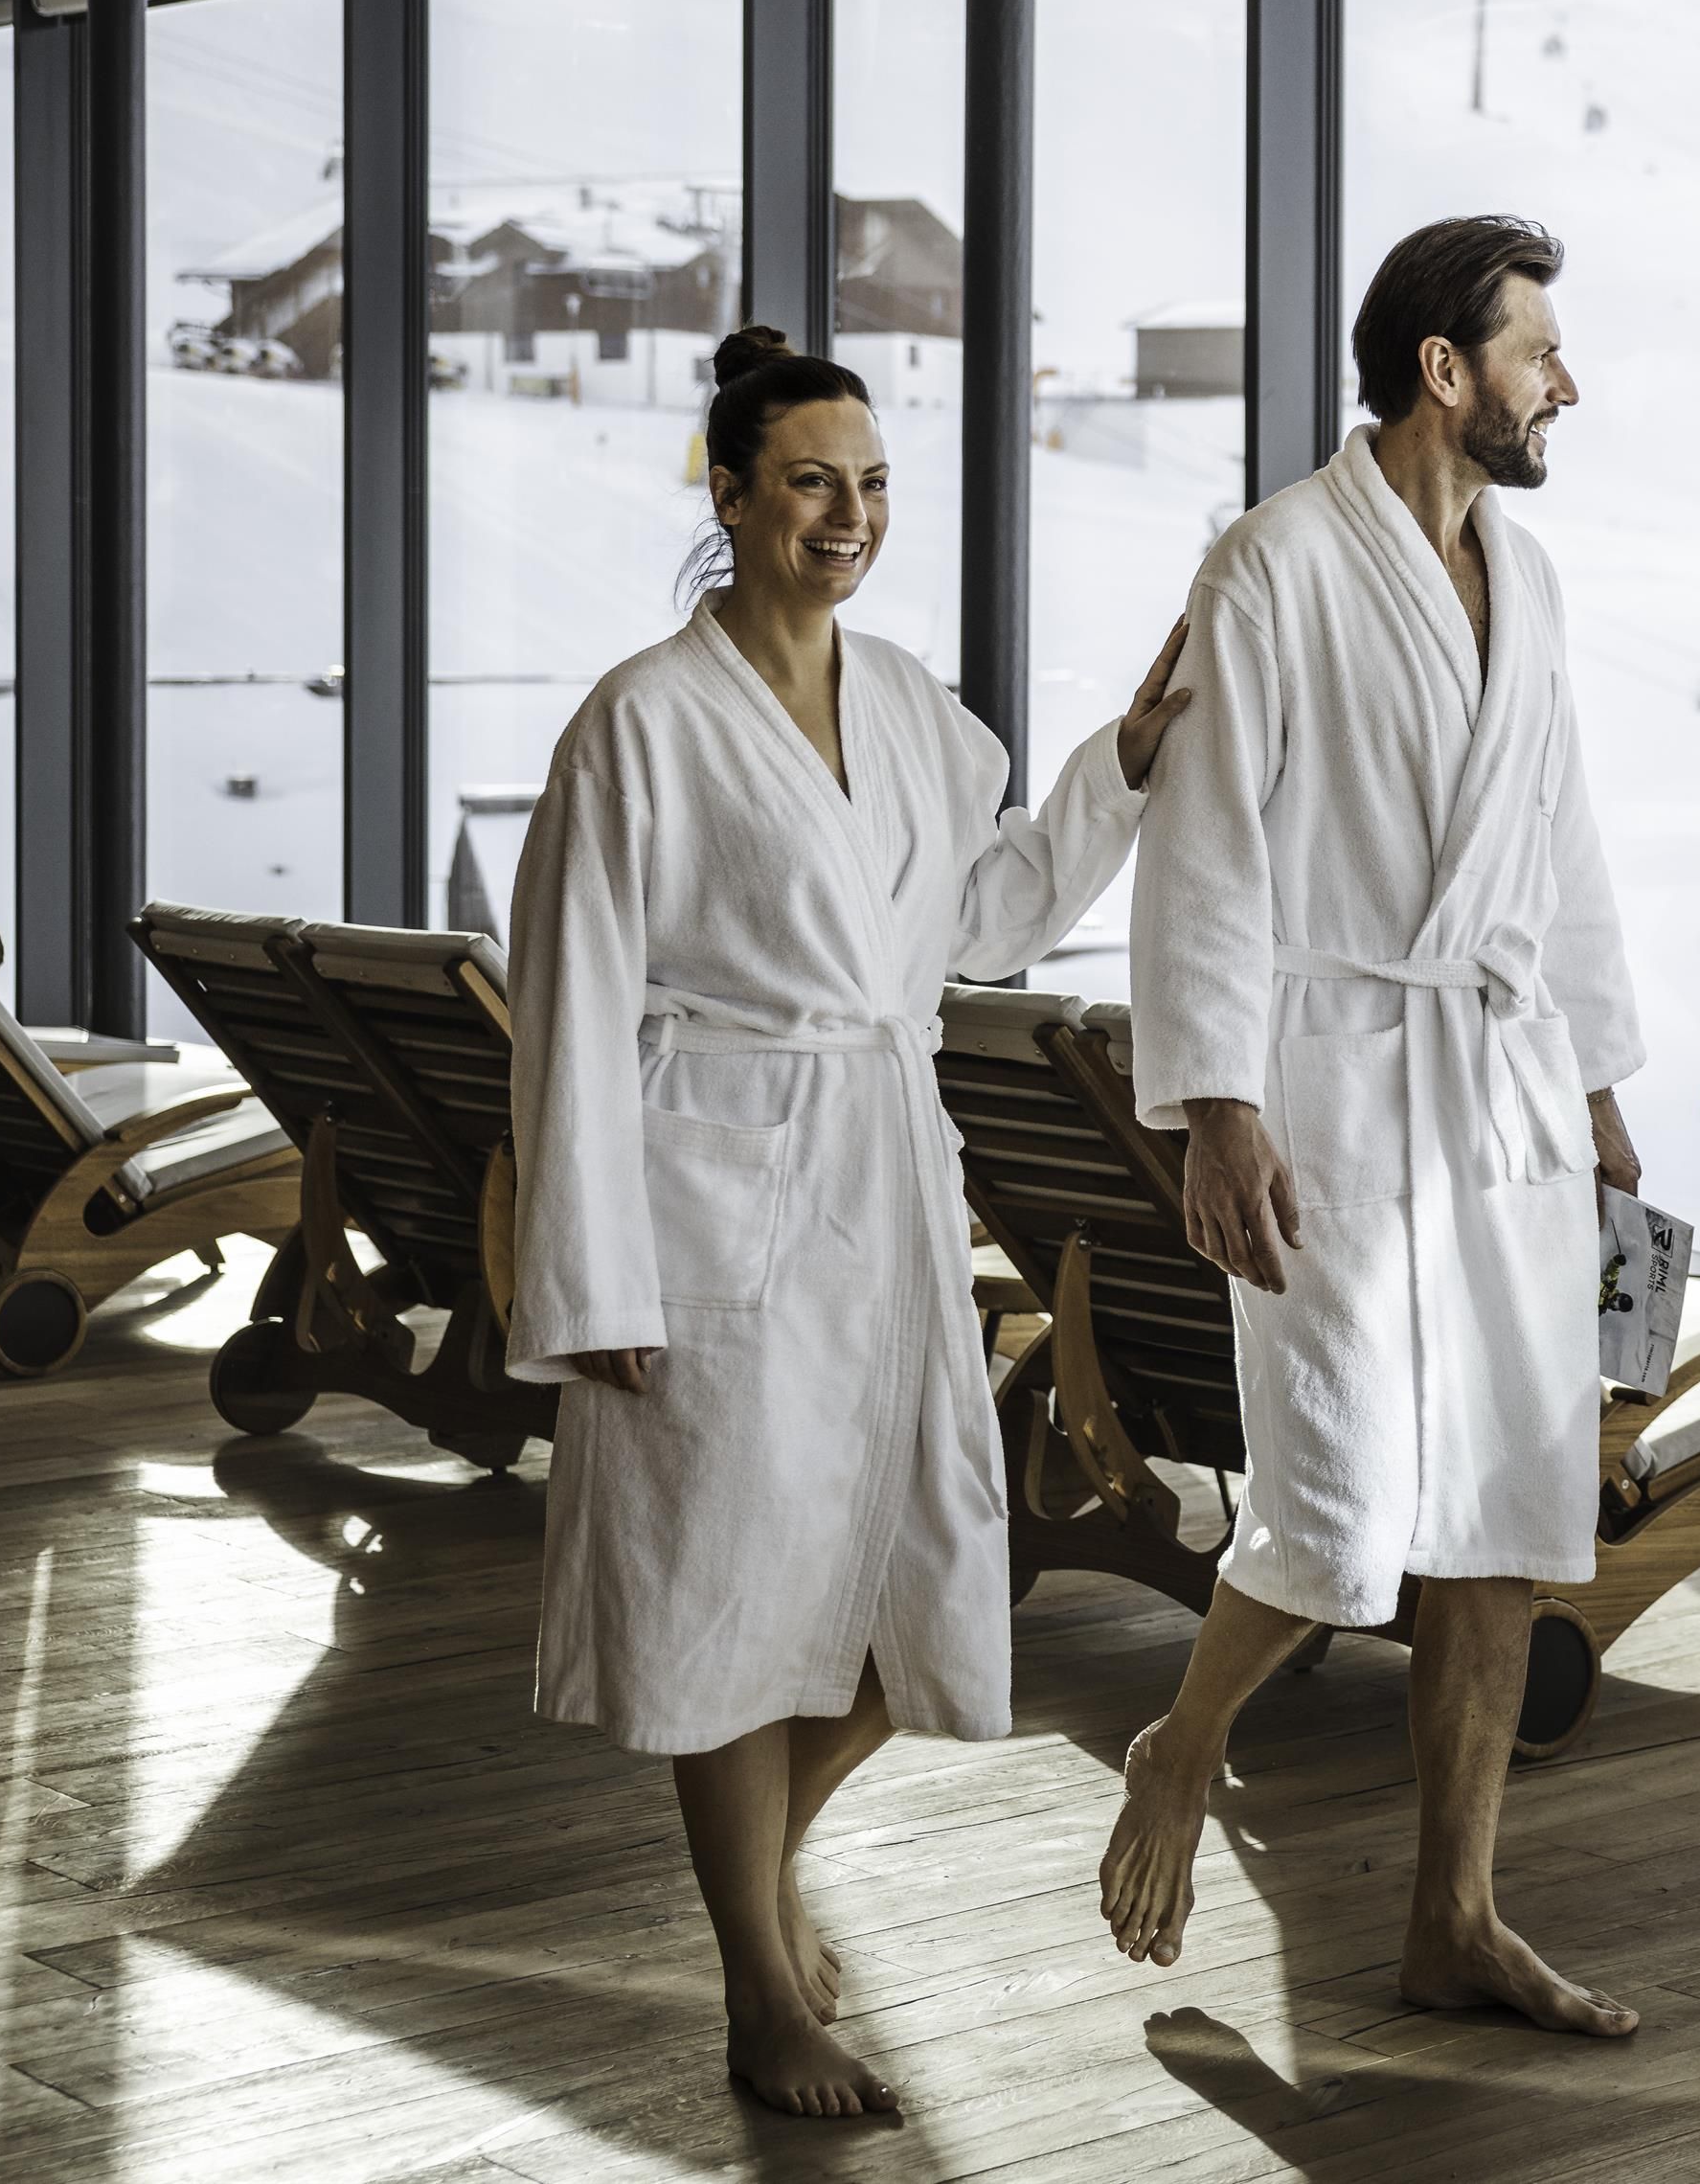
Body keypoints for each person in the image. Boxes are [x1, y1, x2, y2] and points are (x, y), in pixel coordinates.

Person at [506, 325, 1189, 2120]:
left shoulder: (906, 707)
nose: (847, 516)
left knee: (919, 1558)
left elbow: (987, 919)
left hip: (883, 1186)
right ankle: (757, 1988)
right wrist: (592, 1272)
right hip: (713, 1194)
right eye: (809, 482)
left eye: (871, 485)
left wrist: (1118, 764)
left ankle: (759, 1873)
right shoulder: (638, 723)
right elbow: (569, 1001)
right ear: (726, 495)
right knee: (729, 1587)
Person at [1099, 216, 1643, 2036]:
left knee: (1507, 1509)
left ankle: (1455, 1917)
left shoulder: (1532, 575)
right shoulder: (1272, 564)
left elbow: (1556, 845)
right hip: (1329, 1083)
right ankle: (1181, 1745)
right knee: (1334, 1509)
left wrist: (1596, 1087)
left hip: (1495, 1090)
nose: (1565, 381)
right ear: (1445, 368)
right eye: (1538, 351)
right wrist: (1217, 1110)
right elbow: (1209, 850)